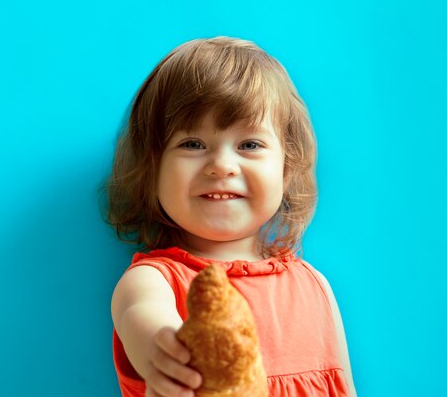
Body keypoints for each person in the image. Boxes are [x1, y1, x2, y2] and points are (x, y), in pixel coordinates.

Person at [105, 37, 357, 397]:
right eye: (193, 144)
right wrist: (164, 352)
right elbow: (141, 317)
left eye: (249, 145)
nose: (222, 166)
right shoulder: (152, 281)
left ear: (286, 168)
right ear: (153, 168)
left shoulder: (315, 287)